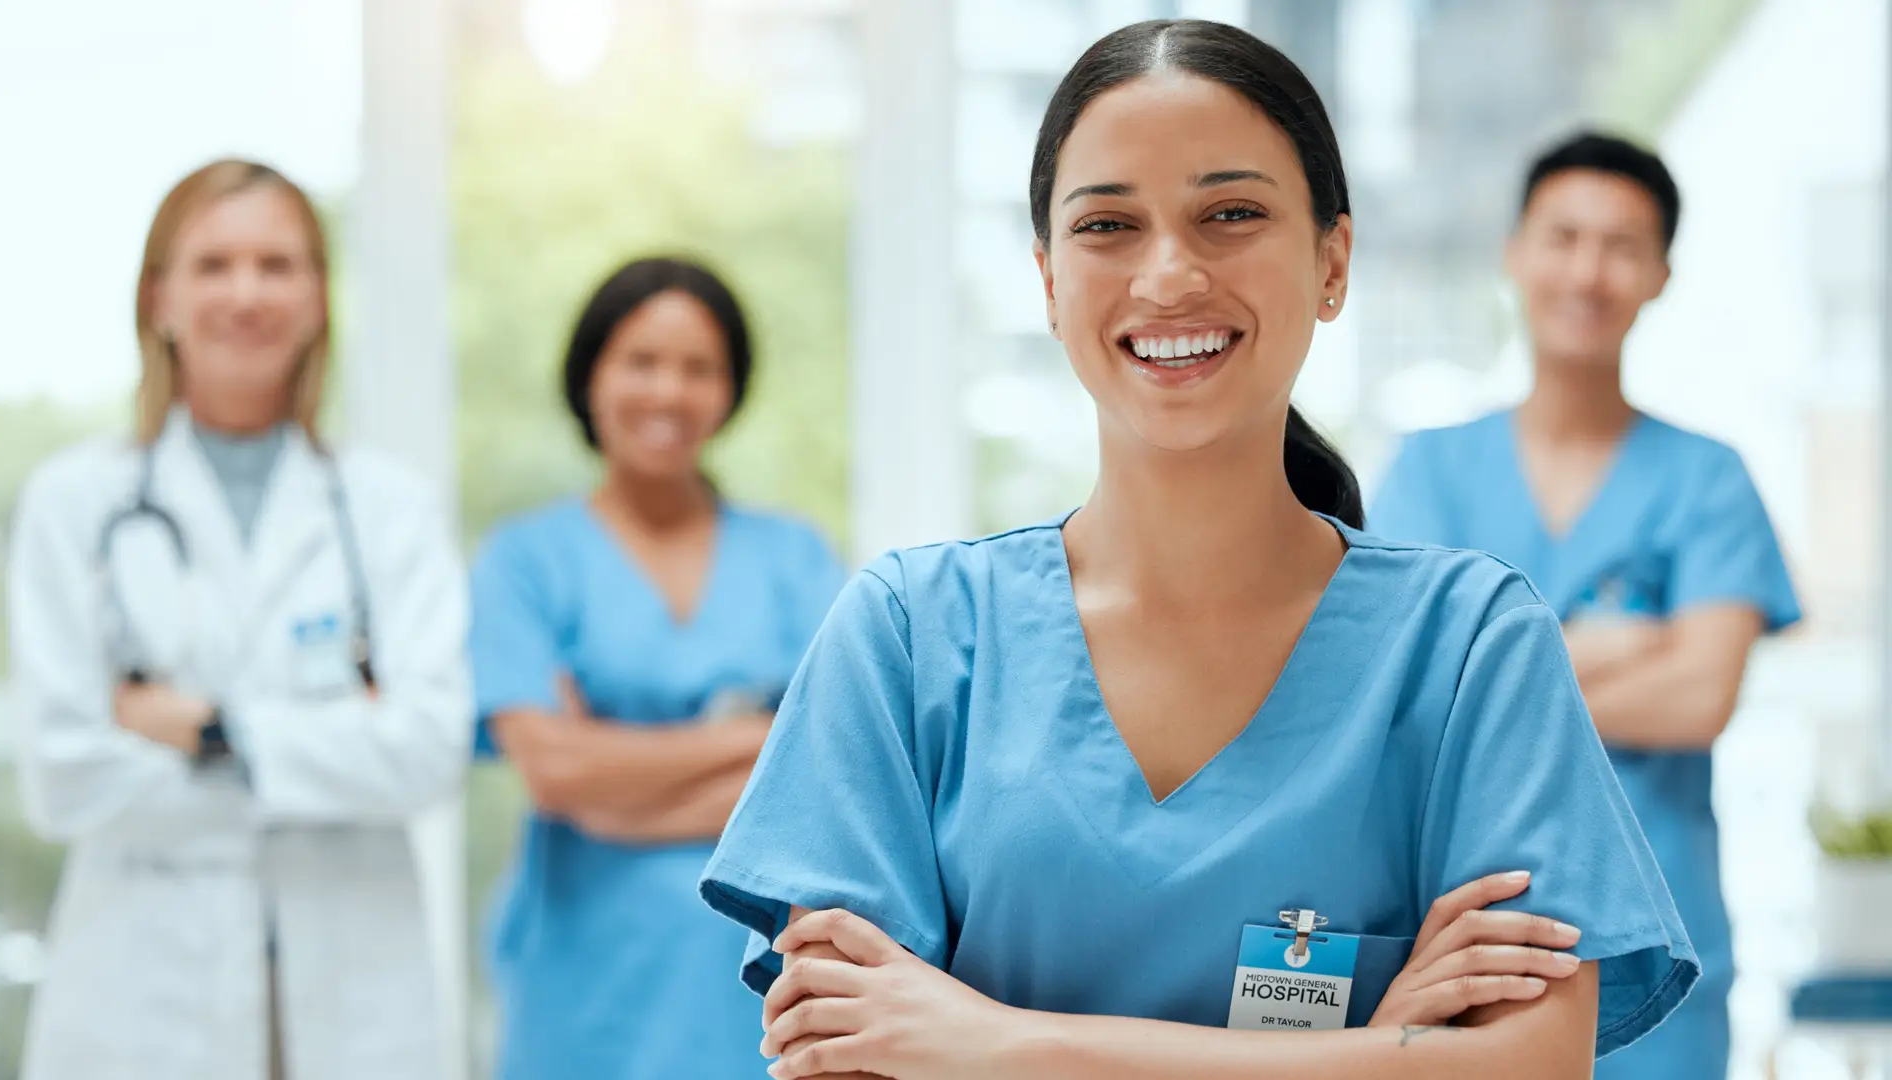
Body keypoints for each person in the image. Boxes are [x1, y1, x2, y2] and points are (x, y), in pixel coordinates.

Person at [696, 19, 1699, 1079]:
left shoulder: (1470, 650)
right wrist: (1377, 1055)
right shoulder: (907, 639)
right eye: (1108, 225)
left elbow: (1532, 1064)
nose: (1169, 275)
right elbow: (846, 1056)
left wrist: (992, 1043)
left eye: (1231, 214)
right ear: (1046, 280)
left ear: (1332, 261)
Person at [6, 159, 472, 1080]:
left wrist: (210, 731)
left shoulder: (391, 510)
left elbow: (428, 752)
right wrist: (337, 748)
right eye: (214, 264)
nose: (247, 292)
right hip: (142, 995)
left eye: (277, 264)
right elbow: (63, 774)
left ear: (318, 298)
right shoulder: (76, 504)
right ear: (159, 298)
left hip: (357, 997)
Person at [1367, 132, 1800, 1079]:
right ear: (1515, 253)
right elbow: (1402, 702)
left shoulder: (1707, 480)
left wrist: (1502, 678)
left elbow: (1699, 699)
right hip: (1460, 948)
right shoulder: (1431, 471)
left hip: (1661, 950)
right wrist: (1621, 648)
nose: (1587, 272)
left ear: (1660, 274)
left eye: (1621, 245)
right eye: (1562, 237)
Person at [468, 257, 845, 1079]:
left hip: (764, 979)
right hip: (585, 983)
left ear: (730, 388)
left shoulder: (795, 558)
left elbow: (839, 764)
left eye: (698, 367)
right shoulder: (526, 561)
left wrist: (616, 783)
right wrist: (764, 738)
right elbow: (556, 769)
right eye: (641, 361)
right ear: (590, 374)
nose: (668, 392)